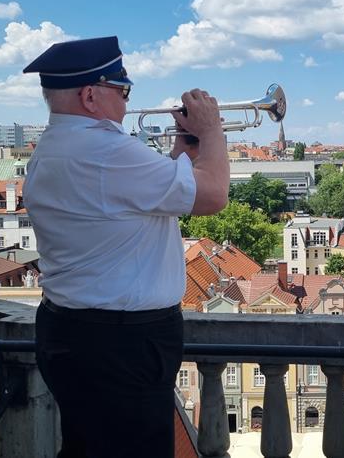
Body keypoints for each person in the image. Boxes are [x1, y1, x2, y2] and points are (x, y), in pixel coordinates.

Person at [22, 36, 230, 457]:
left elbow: (152, 196)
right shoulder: (105, 150)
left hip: (71, 332)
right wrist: (211, 130)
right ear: (90, 95)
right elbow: (213, 196)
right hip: (121, 345)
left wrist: (185, 149)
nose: (127, 101)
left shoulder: (53, 148)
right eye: (123, 91)